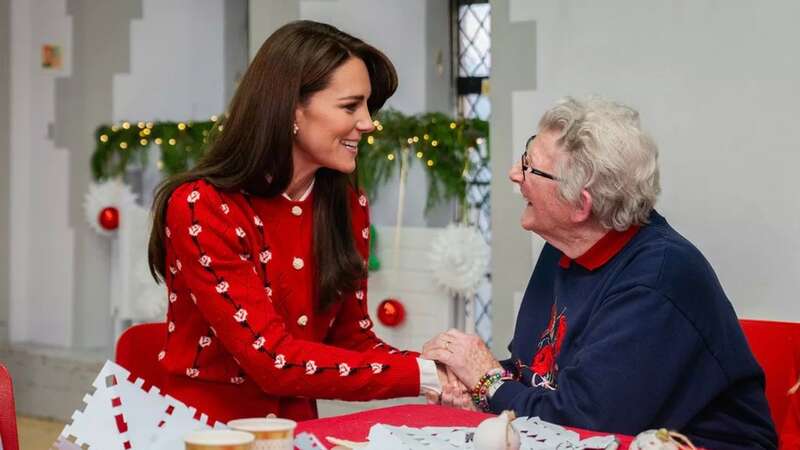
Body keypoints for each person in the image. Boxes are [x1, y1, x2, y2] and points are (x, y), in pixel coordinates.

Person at [424, 97, 778, 449]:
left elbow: (582, 424)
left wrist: (488, 383)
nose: (514, 174)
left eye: (530, 167)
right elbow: (539, 375)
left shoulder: (657, 280)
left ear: (580, 204)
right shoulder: (565, 247)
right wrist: (464, 377)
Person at [147, 20, 442, 423]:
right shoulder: (202, 206)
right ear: (291, 109)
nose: (369, 122)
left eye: (368, 106)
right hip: (208, 434)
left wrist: (438, 366)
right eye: (350, 106)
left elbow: (351, 339)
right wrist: (424, 375)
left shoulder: (347, 203)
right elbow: (273, 361)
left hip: (299, 428)